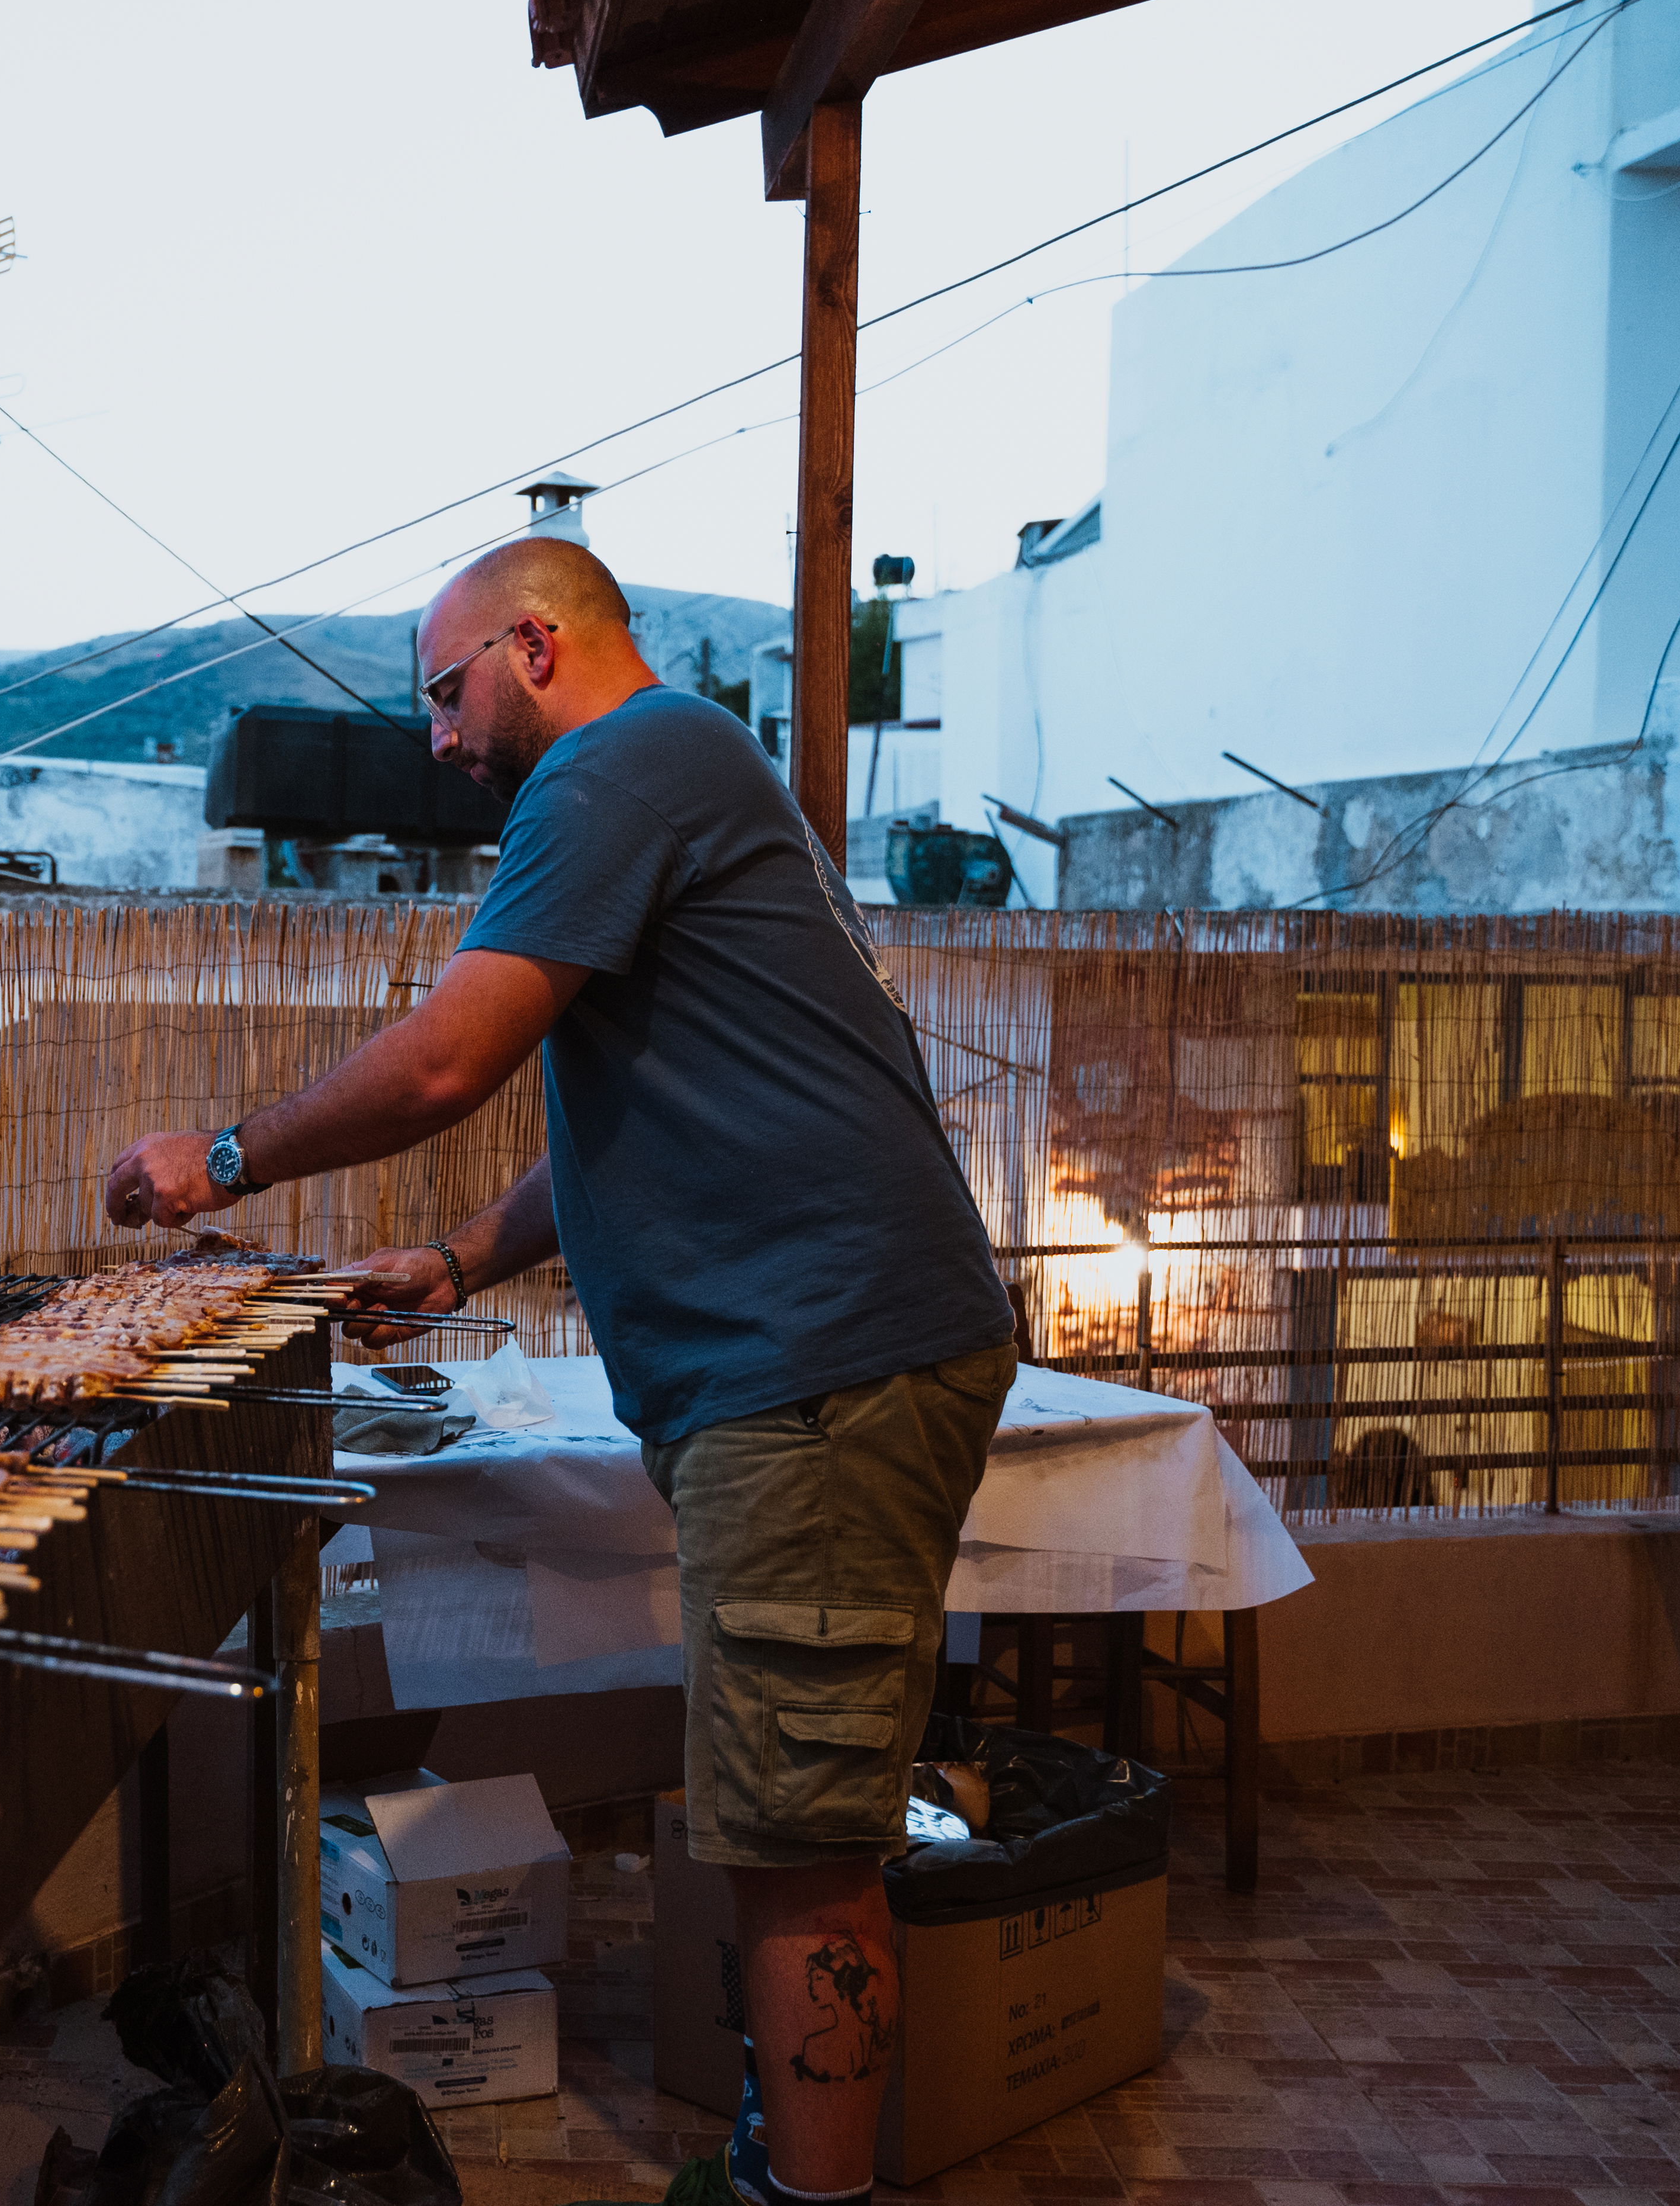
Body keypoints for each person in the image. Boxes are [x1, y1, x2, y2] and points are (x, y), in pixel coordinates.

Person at [102, 536, 1014, 2206]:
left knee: (798, 1849)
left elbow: (452, 1057)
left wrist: (221, 1159)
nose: (440, 739)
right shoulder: (685, 770)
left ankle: (805, 2199)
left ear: (536, 646)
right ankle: (778, 2164)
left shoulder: (612, 770)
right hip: (822, 1362)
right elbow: (637, 1106)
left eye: (447, 693)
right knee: (780, 1821)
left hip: (817, 1367)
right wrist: (462, 1260)